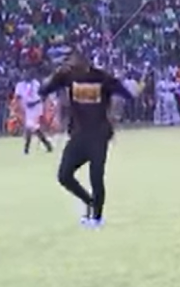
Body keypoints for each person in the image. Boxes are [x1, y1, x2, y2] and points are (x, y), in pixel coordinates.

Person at [39, 52, 135, 229]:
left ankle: (97, 217)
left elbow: (126, 94)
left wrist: (116, 107)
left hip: (99, 135)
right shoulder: (67, 77)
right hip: (79, 135)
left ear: (84, 62)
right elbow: (43, 91)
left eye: (73, 60)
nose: (71, 64)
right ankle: (89, 201)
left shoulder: (101, 77)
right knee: (64, 175)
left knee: (96, 177)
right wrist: (57, 75)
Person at [14, 71, 53, 155]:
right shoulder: (20, 85)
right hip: (27, 108)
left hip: (36, 107)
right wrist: (19, 107)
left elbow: (41, 96)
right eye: (24, 74)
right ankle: (47, 144)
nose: (26, 75)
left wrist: (35, 103)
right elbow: (18, 97)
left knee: (29, 126)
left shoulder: (36, 83)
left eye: (28, 74)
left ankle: (26, 148)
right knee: (34, 128)